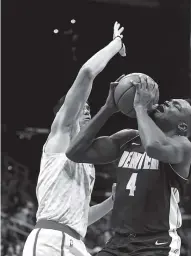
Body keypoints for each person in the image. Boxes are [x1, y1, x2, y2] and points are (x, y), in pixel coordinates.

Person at [67, 74, 191, 256]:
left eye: (175, 106)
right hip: (119, 242)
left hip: (157, 244)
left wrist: (140, 108)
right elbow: (74, 152)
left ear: (182, 127)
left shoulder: (183, 146)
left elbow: (153, 147)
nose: (168, 102)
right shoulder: (128, 138)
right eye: (170, 100)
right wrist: (108, 108)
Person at [22, 22, 126, 256]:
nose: (87, 109)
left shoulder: (85, 158)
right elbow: (88, 73)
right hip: (51, 241)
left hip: (73, 242)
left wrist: (111, 202)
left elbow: (79, 218)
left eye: (89, 106)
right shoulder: (60, 136)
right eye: (83, 106)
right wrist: (115, 44)